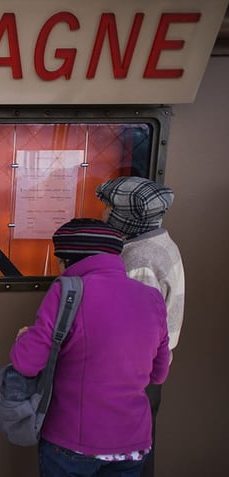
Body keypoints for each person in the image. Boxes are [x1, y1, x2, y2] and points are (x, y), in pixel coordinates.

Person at [10, 218, 170, 477]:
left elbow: (27, 363)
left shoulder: (66, 291)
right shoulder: (152, 297)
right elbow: (159, 374)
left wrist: (22, 339)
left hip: (72, 440)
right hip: (132, 442)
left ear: (67, 260)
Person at [95, 176, 184, 477]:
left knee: (124, 460)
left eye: (108, 207)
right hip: (149, 371)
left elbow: (132, 331)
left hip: (134, 375)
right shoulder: (160, 241)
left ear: (125, 216)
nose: (103, 213)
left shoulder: (138, 259)